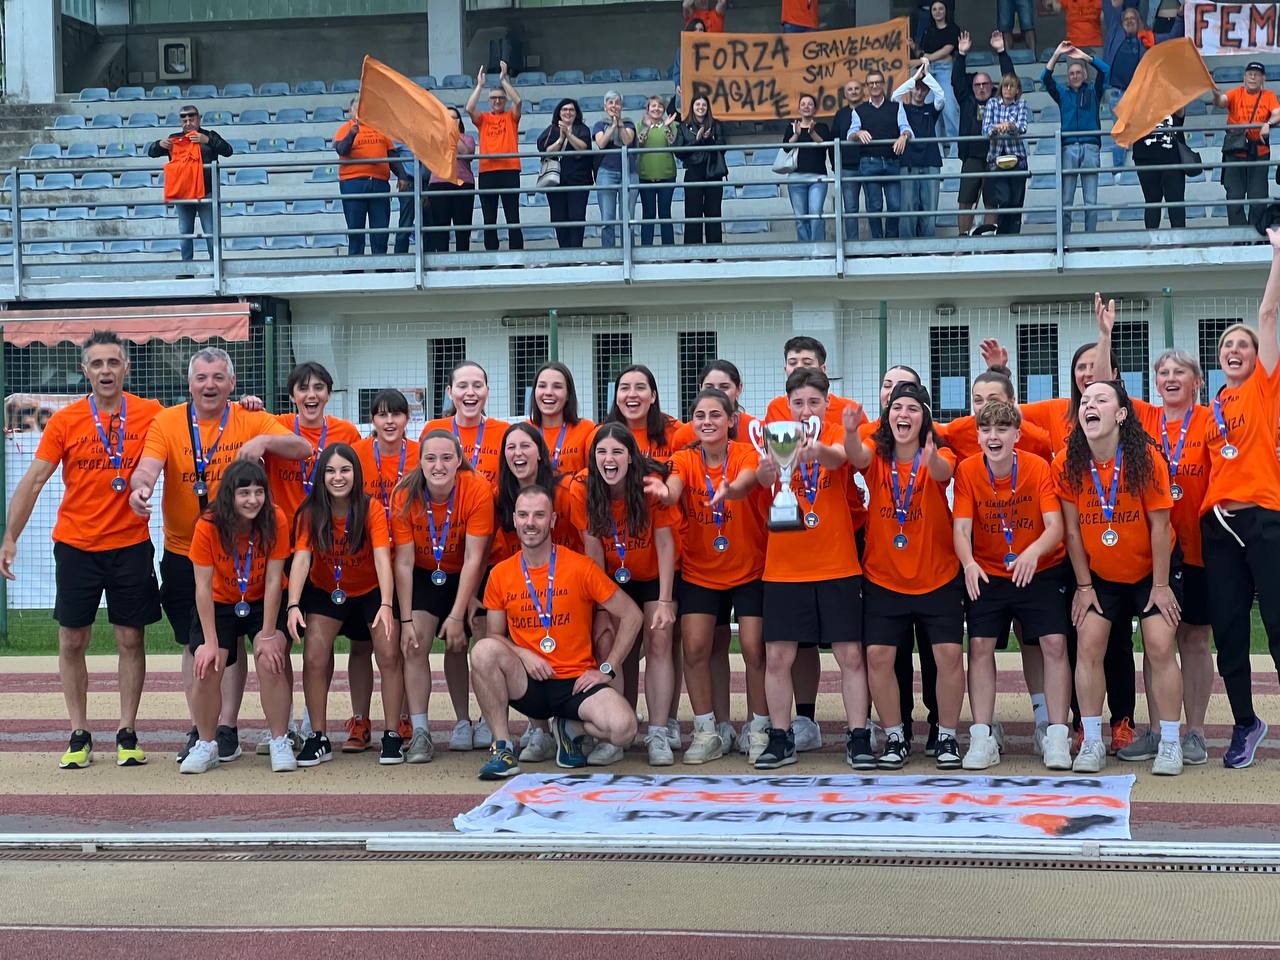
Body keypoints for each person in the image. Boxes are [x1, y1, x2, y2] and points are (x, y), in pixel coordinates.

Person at [129, 347, 311, 764]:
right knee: (199, 646)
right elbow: (148, 466)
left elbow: (302, 447)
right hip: (187, 550)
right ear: (189, 383)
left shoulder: (249, 418)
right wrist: (141, 487)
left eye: (217, 378)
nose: (209, 385)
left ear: (232, 383)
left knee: (252, 643)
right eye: (201, 378)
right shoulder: (167, 421)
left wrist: (264, 439)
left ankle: (228, 727)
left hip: (249, 553)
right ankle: (204, 729)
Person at [1, 331, 162, 769]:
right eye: (97, 364)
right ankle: (79, 732)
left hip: (130, 544)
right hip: (77, 546)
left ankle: (127, 731)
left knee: (130, 638)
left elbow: (196, 426)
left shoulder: (151, 413)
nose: (106, 371)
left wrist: (247, 406)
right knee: (72, 639)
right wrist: (10, 537)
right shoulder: (67, 420)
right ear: (85, 370)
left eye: (113, 362)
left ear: (126, 367)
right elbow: (34, 480)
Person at [471, 485, 644, 778]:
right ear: (514, 520)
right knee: (482, 652)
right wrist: (523, 654)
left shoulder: (580, 566)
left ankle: (569, 728)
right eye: (523, 515)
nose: (530, 523)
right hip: (530, 681)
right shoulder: (500, 573)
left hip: (575, 683)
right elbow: (494, 635)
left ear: (552, 520)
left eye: (539, 515)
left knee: (624, 729)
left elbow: (632, 615)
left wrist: (607, 668)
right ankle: (502, 748)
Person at [1055, 379, 1182, 775]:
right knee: (1088, 643)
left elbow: (1160, 526)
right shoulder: (1067, 463)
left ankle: (1170, 743)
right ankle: (1092, 740)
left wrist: (1160, 586)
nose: (1089, 405)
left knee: (1159, 644)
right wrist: (1083, 586)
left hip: (1150, 569)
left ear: (1121, 414)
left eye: (1101, 399)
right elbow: (1072, 532)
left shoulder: (1146, 459)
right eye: (1085, 401)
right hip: (1101, 573)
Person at [752, 369, 869, 770]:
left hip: (837, 564)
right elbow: (760, 477)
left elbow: (841, 458)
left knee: (850, 655)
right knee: (778, 657)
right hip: (784, 568)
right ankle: (780, 737)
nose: (805, 410)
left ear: (826, 403)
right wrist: (769, 468)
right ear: (787, 404)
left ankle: (858, 737)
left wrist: (814, 449)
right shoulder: (772, 434)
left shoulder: (835, 432)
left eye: (813, 402)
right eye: (798, 403)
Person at [847, 382, 963, 770]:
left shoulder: (939, 452)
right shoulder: (876, 454)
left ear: (924, 418)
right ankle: (895, 735)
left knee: (948, 655)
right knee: (878, 657)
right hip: (884, 578)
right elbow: (855, 455)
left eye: (913, 408)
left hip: (937, 575)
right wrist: (850, 431)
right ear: (888, 416)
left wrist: (930, 458)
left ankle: (947, 735)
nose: (904, 414)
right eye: (897, 407)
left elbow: (944, 470)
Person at [952, 400, 1072, 770]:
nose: (994, 436)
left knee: (1054, 643)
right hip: (989, 570)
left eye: (1002, 429)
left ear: (1017, 435)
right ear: (978, 436)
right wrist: (969, 563)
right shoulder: (968, 470)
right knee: (979, 645)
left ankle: (1056, 735)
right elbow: (961, 529)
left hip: (1039, 568)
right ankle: (982, 736)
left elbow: (1055, 526)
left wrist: (1033, 553)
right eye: (986, 429)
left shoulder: (1037, 467)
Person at [1199, 229, 1280, 768]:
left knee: (1277, 625)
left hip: (1264, 521)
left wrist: (1278, 256)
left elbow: (1268, 316)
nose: (1234, 350)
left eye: (1242, 345)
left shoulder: (1264, 389)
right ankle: (1246, 723)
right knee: (1228, 632)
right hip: (1220, 529)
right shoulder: (1212, 411)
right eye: (1227, 345)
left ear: (1257, 357)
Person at [652, 389, 765, 763]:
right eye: (700, 415)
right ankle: (706, 730)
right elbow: (673, 491)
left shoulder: (744, 453)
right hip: (700, 571)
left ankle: (759, 727)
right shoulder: (683, 459)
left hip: (749, 568)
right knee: (696, 648)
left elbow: (749, 480)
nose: (707, 422)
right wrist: (663, 492)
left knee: (753, 647)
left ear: (731, 420)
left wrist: (732, 488)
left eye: (715, 415)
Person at [1119, 349, 1214, 766]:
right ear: (1155, 382)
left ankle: (1195, 732)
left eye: (1180, 372)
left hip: (1199, 547)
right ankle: (1159, 731)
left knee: (1194, 639)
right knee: (1157, 641)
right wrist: (1105, 336)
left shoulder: (1209, 421)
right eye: (1164, 372)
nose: (1171, 378)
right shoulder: (1145, 418)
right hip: (1155, 551)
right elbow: (1105, 383)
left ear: (1197, 381)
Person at [569, 424, 679, 764]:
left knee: (659, 640)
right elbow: (593, 550)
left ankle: (658, 731)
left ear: (631, 457)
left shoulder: (649, 485)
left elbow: (665, 544)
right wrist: (603, 608)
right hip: (612, 577)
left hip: (652, 573)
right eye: (602, 452)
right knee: (609, 641)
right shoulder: (582, 487)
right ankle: (617, 734)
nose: (609, 459)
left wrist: (665, 601)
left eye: (617, 452)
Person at [286, 444, 398, 767]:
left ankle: (392, 734)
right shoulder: (310, 512)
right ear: (321, 476)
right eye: (331, 471)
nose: (338, 477)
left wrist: (386, 604)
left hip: (370, 590)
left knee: (388, 653)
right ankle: (318, 737)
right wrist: (293, 604)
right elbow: (301, 559)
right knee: (314, 655)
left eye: (345, 470)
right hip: (327, 591)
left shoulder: (370, 508)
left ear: (356, 474)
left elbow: (382, 558)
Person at [181, 461, 293, 774]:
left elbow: (274, 580)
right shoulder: (208, 524)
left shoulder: (276, 518)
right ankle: (206, 743)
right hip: (220, 602)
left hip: (261, 600)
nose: (253, 500)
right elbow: (202, 587)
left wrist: (268, 635)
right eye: (244, 493)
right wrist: (210, 642)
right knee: (207, 665)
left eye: (259, 492)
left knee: (271, 659)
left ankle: (280, 739)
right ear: (230, 494)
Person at [391, 430, 495, 763]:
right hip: (425, 572)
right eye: (431, 458)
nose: (439, 466)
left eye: (447, 458)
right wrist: (406, 619)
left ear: (459, 460)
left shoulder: (476, 488)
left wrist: (457, 614)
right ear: (420, 462)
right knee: (414, 643)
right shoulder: (404, 493)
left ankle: (486, 720)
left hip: (467, 572)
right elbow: (404, 562)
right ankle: (423, 730)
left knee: (476, 636)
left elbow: (474, 558)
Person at [350, 389, 420, 750]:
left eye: (396, 414)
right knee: (361, 646)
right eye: (381, 414)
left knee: (401, 645)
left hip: (409, 560)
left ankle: (404, 717)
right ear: (372, 420)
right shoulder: (358, 454)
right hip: (367, 562)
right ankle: (359, 720)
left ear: (408, 419)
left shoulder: (421, 454)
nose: (389, 421)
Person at [266, 362, 362, 529]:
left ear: (328, 394)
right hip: (282, 531)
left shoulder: (347, 432)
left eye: (318, 388)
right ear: (292, 396)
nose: (311, 395)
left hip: (328, 532)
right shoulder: (275, 426)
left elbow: (357, 482)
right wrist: (248, 401)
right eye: (303, 388)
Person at [146, 104, 232, 263]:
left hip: (207, 191)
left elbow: (228, 151)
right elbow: (151, 153)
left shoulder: (209, 135)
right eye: (184, 119)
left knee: (211, 231)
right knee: (185, 232)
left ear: (199, 119)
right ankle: (186, 268)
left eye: (191, 118)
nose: (188, 122)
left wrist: (208, 140)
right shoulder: (174, 139)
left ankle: (215, 267)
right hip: (183, 193)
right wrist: (158, 144)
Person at [1043, 41, 1111, 235]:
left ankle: (1090, 241)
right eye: (1071, 73)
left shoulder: (1094, 91)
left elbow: (1106, 71)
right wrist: (1057, 54)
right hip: (1068, 149)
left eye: (1078, 72)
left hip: (1090, 148)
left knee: (1091, 200)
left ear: (1085, 74)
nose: (1075, 76)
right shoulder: (1062, 94)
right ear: (1068, 77)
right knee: (1066, 200)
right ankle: (1064, 241)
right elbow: (1045, 78)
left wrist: (1084, 57)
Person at [953, 31, 1014, 236]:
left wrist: (1001, 51)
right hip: (971, 157)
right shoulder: (966, 99)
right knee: (965, 201)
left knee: (992, 202)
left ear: (992, 86)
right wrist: (961, 55)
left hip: (994, 156)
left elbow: (1011, 80)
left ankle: (988, 242)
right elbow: (956, 80)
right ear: (972, 87)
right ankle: (963, 240)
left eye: (985, 84)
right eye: (977, 85)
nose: (981, 88)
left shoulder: (999, 99)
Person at [333, 99, 405, 257]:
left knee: (380, 228)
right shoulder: (344, 129)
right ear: (350, 111)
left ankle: (381, 263)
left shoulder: (381, 129)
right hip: (353, 183)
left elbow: (392, 155)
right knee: (355, 228)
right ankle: (356, 263)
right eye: (357, 108)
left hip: (379, 182)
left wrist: (402, 175)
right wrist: (352, 133)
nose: (361, 111)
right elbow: (342, 150)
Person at [420, 359, 509, 486]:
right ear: (450, 392)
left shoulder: (504, 431)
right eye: (462, 386)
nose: (470, 393)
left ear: (487, 391)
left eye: (477, 386)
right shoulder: (433, 429)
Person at [1213, 63, 1280, 229]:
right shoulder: (1236, 92)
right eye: (1250, 74)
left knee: (1258, 199)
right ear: (1244, 77)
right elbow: (1221, 102)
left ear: (1263, 79)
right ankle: (1238, 237)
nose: (1252, 77)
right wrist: (1216, 94)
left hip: (1259, 152)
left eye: (1256, 74)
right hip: (1235, 152)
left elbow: (1277, 113)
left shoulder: (1269, 96)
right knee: (1234, 198)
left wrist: (1268, 124)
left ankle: (1256, 236)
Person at [466, 61, 524, 252]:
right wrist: (480, 85)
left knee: (513, 216)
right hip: (487, 171)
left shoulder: (511, 117)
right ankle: (491, 255)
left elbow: (518, 101)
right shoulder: (484, 118)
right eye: (493, 98)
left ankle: (516, 256)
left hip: (509, 170)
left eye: (500, 98)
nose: (497, 101)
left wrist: (503, 80)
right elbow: (469, 108)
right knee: (489, 217)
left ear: (504, 100)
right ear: (489, 101)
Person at [849, 71, 913, 240]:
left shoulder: (896, 107)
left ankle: (890, 243)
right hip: (869, 163)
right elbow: (850, 134)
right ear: (867, 87)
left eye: (878, 82)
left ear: (883, 84)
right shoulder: (859, 110)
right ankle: (877, 243)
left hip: (892, 162)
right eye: (871, 83)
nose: (875, 86)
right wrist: (858, 133)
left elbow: (907, 128)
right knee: (874, 206)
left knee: (895, 206)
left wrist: (904, 136)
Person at [892, 61, 946, 239]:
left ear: (928, 91)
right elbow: (894, 97)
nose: (919, 92)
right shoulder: (903, 109)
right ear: (911, 89)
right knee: (908, 207)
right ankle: (907, 247)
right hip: (908, 161)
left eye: (923, 89)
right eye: (916, 88)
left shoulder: (931, 109)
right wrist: (914, 78)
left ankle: (927, 246)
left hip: (931, 161)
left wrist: (927, 75)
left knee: (930, 208)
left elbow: (941, 96)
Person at [537, 98, 593, 250]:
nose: (568, 112)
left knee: (577, 216)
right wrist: (561, 139)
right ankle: (564, 252)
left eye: (571, 110)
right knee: (559, 218)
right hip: (556, 182)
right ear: (559, 112)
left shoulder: (582, 129)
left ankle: (576, 252)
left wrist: (568, 134)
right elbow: (545, 151)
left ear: (576, 113)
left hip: (578, 181)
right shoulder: (551, 129)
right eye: (564, 109)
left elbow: (583, 148)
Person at [981, 74, 1030, 236]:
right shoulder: (992, 103)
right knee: (1004, 199)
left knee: (1016, 201)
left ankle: (1014, 239)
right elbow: (985, 129)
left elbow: (1022, 127)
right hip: (996, 158)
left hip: (1017, 157)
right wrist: (997, 128)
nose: (1008, 89)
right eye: (1005, 86)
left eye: (1011, 86)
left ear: (1017, 90)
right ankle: (1002, 237)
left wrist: (1010, 126)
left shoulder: (1021, 104)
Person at [527, 361, 596, 474]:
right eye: (542, 386)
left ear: (568, 394)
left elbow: (595, 473)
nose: (548, 392)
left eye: (557, 387)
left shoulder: (588, 430)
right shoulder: (524, 431)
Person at [604, 364, 683, 462]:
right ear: (616, 397)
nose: (632, 394)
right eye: (625, 388)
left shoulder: (677, 432)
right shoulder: (599, 435)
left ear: (653, 396)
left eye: (640, 388)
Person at [1103, 0, 1184, 94]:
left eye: (1132, 18)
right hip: (1114, 92)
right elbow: (1108, 7)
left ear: (1138, 22)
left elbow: (1173, 37)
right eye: (1126, 19)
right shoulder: (1115, 34)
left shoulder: (1147, 39)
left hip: (1137, 93)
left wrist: (1180, 17)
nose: (1129, 21)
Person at [425, 107, 476, 253]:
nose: (450, 121)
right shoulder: (435, 138)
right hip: (439, 184)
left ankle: (463, 259)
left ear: (459, 121)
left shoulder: (467, 139)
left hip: (463, 183)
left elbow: (467, 154)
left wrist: (453, 134)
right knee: (441, 226)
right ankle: (442, 261)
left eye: (453, 118)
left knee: (463, 225)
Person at [783, 93, 833, 243]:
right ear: (799, 109)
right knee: (800, 218)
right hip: (796, 178)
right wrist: (796, 135)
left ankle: (818, 250)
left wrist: (812, 132)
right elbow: (786, 147)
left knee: (816, 214)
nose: (806, 107)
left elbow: (824, 144)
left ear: (815, 109)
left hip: (817, 177)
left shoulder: (822, 127)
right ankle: (805, 250)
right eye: (803, 104)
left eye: (810, 104)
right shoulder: (792, 127)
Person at [592, 91, 638, 250]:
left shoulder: (629, 123)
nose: (614, 106)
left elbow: (627, 141)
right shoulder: (599, 125)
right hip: (606, 172)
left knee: (628, 216)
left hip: (629, 172)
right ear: (605, 107)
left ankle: (628, 252)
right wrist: (612, 126)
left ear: (621, 106)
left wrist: (619, 124)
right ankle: (608, 253)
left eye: (617, 103)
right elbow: (601, 143)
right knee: (607, 217)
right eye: (610, 103)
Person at [680, 96, 727, 245]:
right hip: (693, 171)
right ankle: (693, 251)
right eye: (697, 104)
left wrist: (708, 140)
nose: (701, 107)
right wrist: (697, 140)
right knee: (692, 212)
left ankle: (715, 249)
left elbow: (723, 147)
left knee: (714, 212)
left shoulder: (716, 125)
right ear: (692, 107)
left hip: (713, 171)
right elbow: (679, 153)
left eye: (704, 104)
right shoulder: (683, 126)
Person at [912, 0, 960, 145]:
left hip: (945, 71)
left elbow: (947, 50)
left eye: (940, 9)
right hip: (929, 71)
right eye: (934, 9)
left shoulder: (953, 29)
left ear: (946, 11)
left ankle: (955, 150)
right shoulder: (928, 30)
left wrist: (924, 59)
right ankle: (935, 150)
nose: (937, 12)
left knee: (949, 109)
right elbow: (922, 53)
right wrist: (913, 47)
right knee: (930, 111)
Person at [1132, 111, 1189, 229]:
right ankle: (1152, 238)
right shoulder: (1138, 103)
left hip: (1172, 157)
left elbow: (1180, 114)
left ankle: (1179, 238)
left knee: (1176, 201)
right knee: (1152, 201)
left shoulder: (1172, 100)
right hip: (1145, 158)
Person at [637, 96, 680, 247]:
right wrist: (646, 128)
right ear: (648, 109)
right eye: (653, 106)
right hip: (646, 175)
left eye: (660, 106)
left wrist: (667, 127)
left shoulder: (671, 124)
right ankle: (646, 250)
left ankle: (668, 250)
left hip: (667, 175)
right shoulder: (639, 125)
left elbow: (673, 145)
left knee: (665, 213)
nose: (657, 109)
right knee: (648, 214)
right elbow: (639, 144)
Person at [831, 79, 865, 242]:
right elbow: (834, 141)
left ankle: (879, 245)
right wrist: (835, 166)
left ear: (862, 91)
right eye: (850, 89)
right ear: (845, 94)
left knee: (875, 206)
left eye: (857, 88)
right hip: (847, 168)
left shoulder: (870, 110)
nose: (854, 92)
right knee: (850, 209)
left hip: (869, 164)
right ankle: (853, 245)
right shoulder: (840, 115)